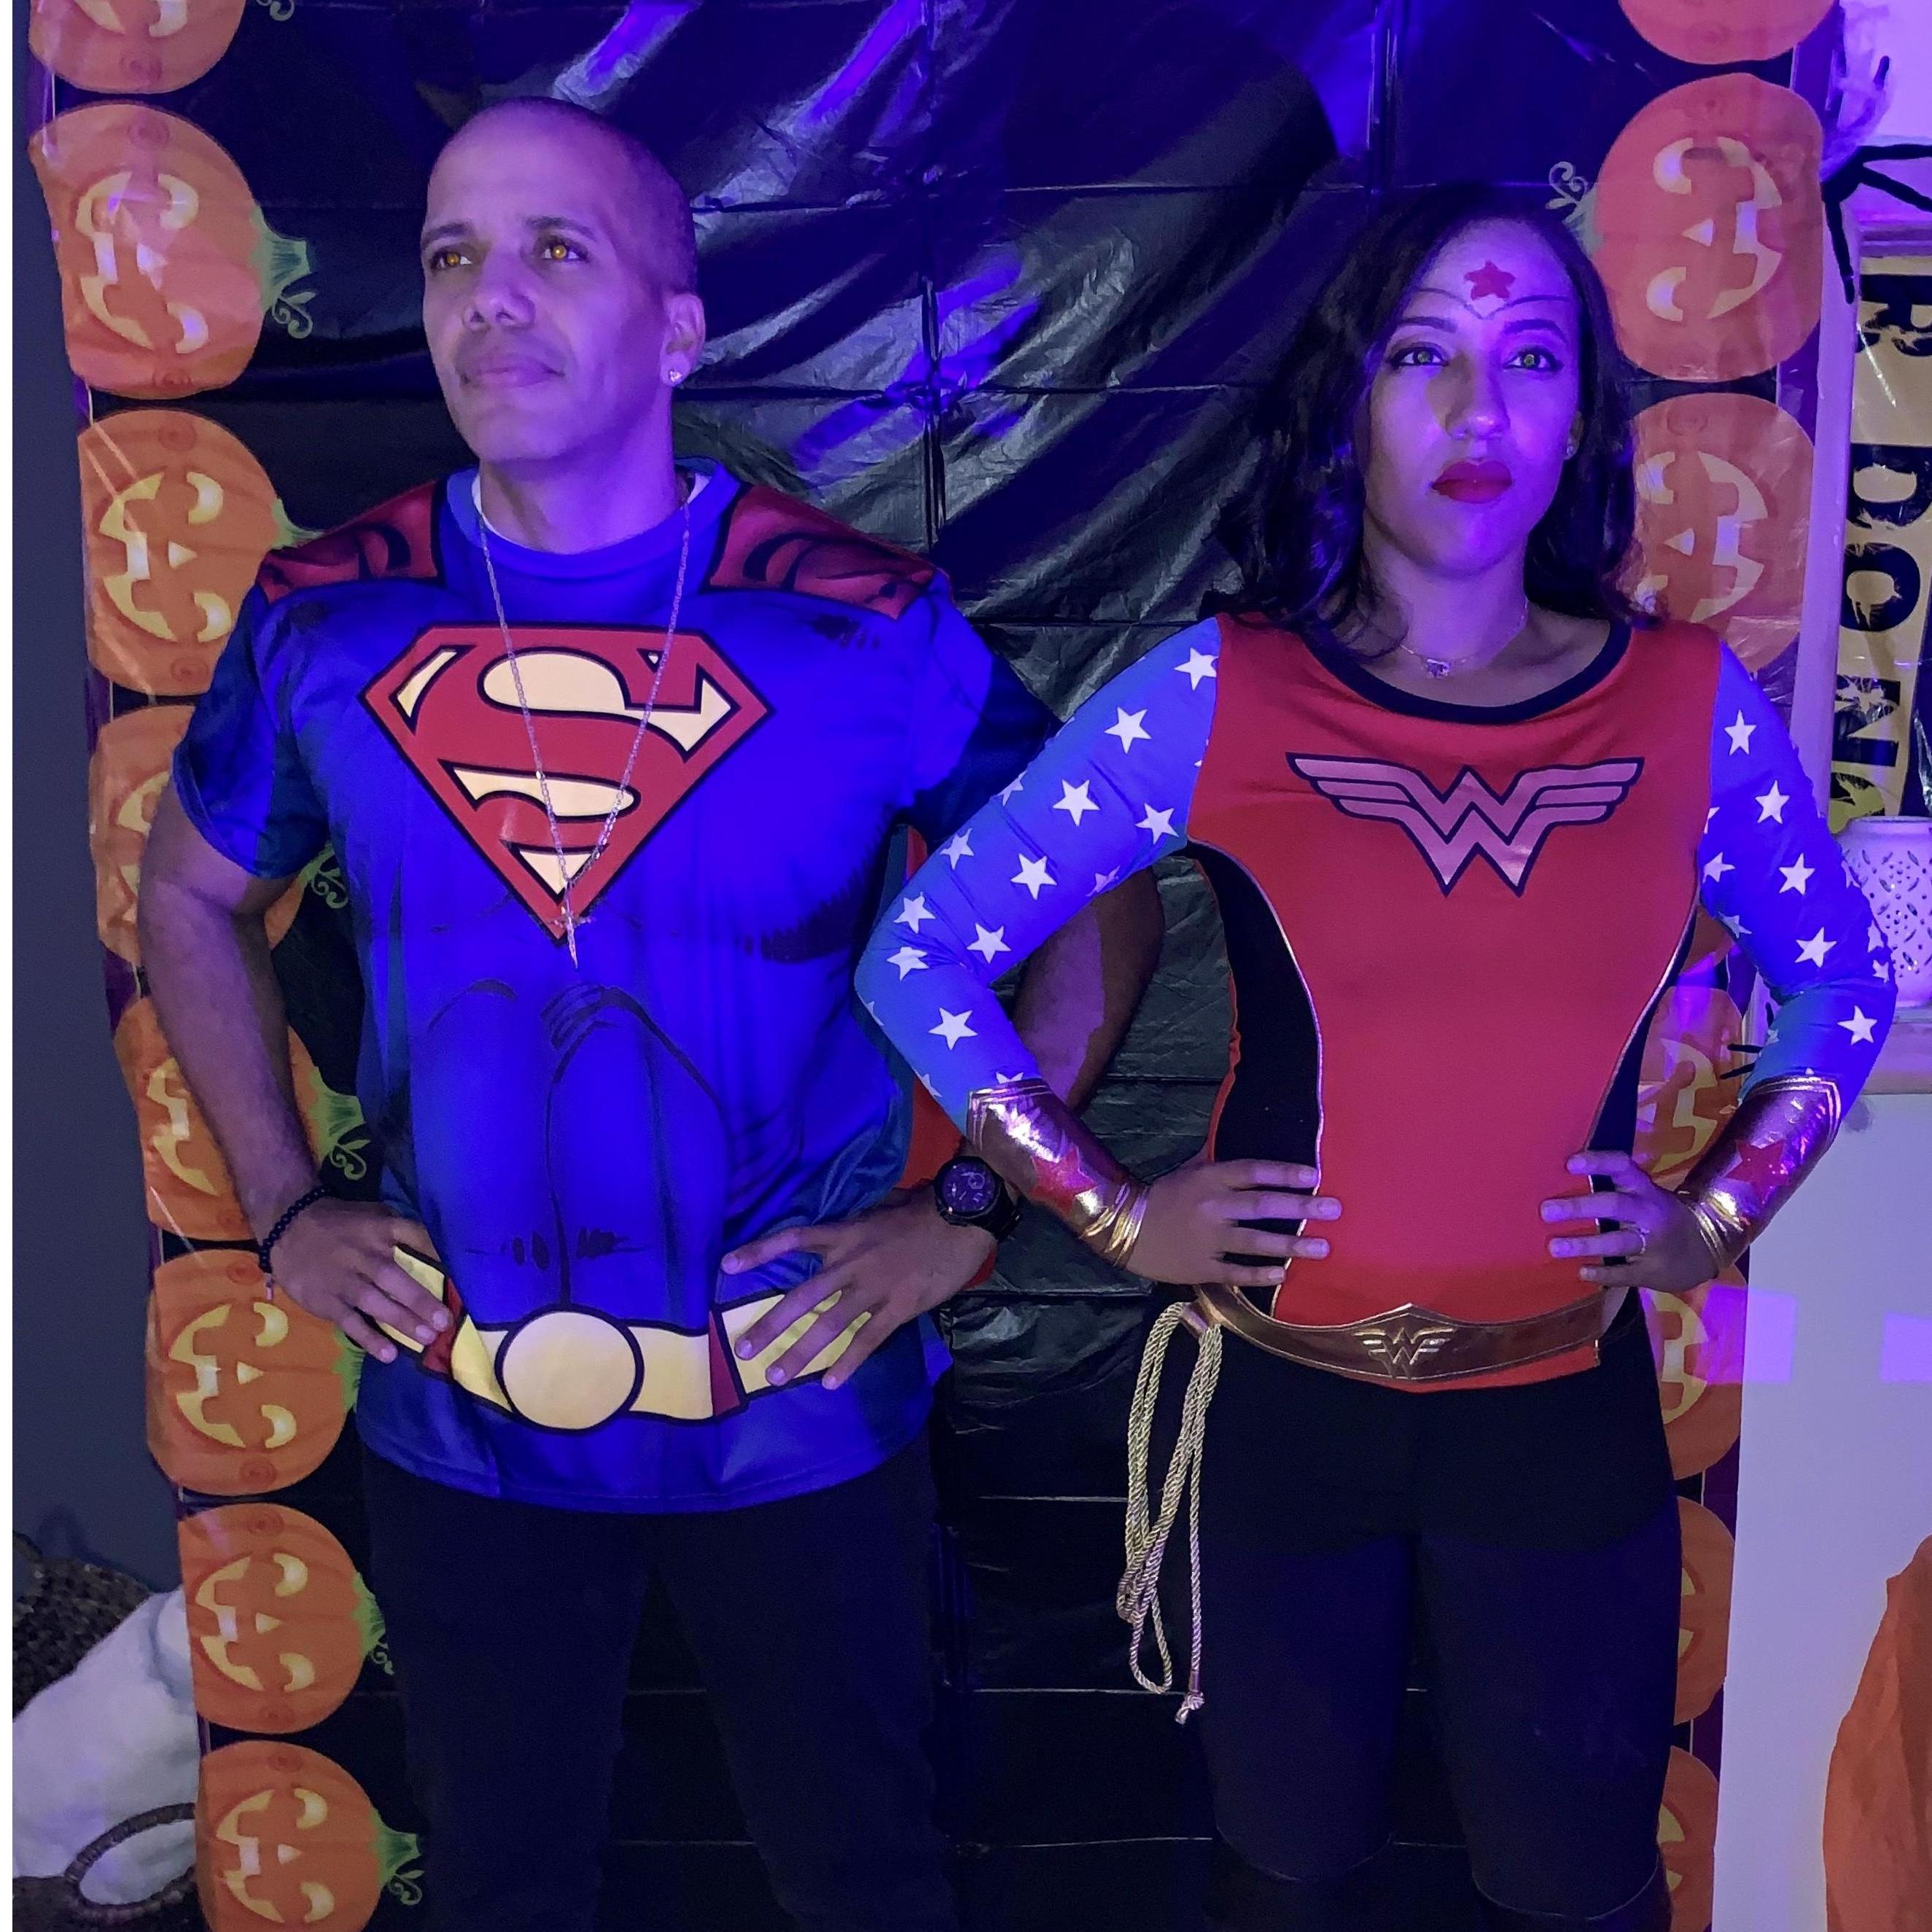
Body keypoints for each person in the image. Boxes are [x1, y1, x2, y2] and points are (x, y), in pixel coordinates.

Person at [139, 97, 1161, 1932]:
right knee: (501, 1880)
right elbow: (193, 895)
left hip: (796, 1408)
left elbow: (1098, 890)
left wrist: (973, 1204)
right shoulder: (326, 616)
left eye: (557, 250)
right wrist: (286, 1204)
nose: (490, 297)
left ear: (677, 328)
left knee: (863, 1880)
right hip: (462, 1416)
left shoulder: (857, 623)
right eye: (451, 255)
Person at [858, 182, 1896, 1932]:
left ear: (1581, 414)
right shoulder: (1219, 691)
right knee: (1287, 1887)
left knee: (1575, 1892)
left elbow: (1838, 980)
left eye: (1529, 357)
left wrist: (1713, 1220)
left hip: (1554, 1417)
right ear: (1345, 395)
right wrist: (1112, 1213)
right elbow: (918, 955)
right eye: (1421, 353)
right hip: (1285, 1414)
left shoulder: (1682, 708)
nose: (1477, 407)